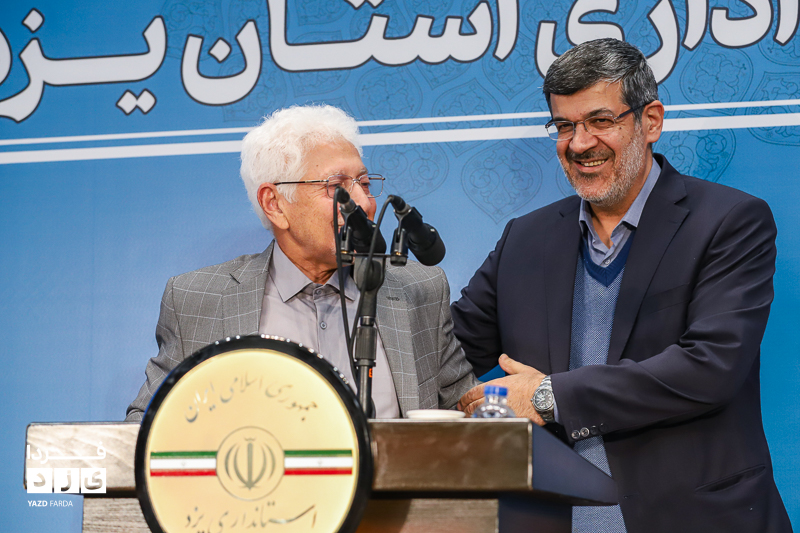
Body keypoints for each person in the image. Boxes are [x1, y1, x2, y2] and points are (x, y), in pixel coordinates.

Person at [452, 39, 792, 532]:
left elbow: (710, 367)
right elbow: (447, 354)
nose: (579, 143)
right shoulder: (525, 238)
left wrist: (548, 396)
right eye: (564, 126)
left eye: (600, 120)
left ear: (650, 121)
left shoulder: (730, 221)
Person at [127, 104, 477, 422]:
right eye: (337, 188)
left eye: (365, 183)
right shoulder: (198, 300)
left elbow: (465, 408)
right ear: (275, 204)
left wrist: (502, 401)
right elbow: (148, 427)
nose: (365, 203)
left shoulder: (419, 290)